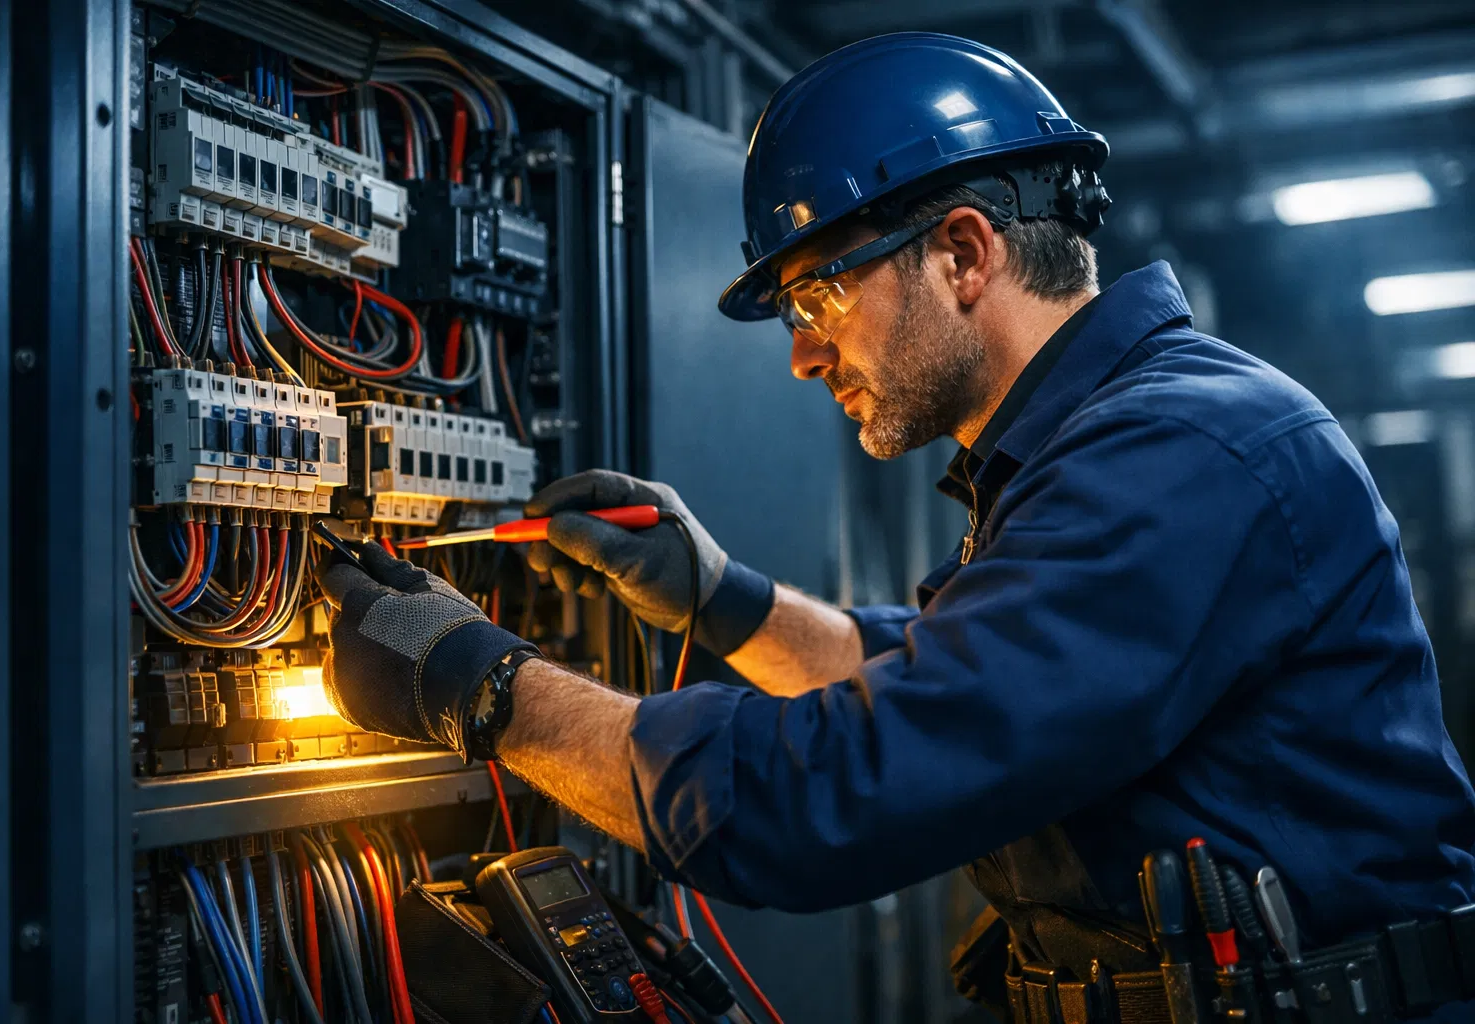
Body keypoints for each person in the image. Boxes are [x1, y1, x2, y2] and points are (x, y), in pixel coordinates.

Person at [321, 32, 1475, 1022]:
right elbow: (932, 675)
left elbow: (849, 788)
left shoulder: (1178, 455)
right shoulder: (1098, 446)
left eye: (820, 296)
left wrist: (481, 683)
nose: (804, 352)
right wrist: (719, 595)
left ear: (965, 254)